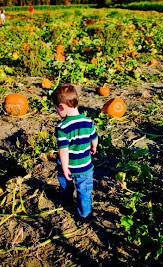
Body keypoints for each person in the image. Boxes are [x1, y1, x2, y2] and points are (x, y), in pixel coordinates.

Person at [51, 84, 98, 219]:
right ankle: (85, 214)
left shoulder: (62, 127)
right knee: (84, 191)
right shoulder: (88, 122)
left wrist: (65, 168)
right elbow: (94, 138)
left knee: (66, 184)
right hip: (85, 167)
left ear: (62, 107)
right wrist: (94, 147)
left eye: (56, 109)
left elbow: (64, 151)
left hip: (70, 166)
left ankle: (66, 201)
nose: (57, 112)